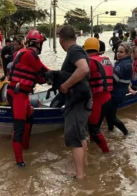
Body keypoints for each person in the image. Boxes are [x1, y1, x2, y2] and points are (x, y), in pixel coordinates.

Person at [8, 29, 49, 167]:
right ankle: (19, 162)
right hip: (17, 94)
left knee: (29, 117)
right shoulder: (31, 55)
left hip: (21, 93)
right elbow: (46, 72)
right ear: (38, 44)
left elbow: (40, 77)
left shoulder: (23, 53)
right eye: (41, 43)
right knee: (19, 128)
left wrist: (45, 78)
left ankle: (25, 147)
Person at [59, 26, 92, 179]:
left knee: (74, 137)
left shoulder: (73, 51)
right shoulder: (78, 50)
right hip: (83, 99)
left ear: (61, 40)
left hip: (78, 101)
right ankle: (85, 166)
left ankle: (80, 177)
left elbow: (84, 69)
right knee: (81, 134)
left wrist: (65, 85)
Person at [83, 38, 114, 153]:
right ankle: (93, 148)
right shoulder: (106, 59)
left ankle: (107, 154)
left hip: (98, 100)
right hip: (108, 98)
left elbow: (79, 76)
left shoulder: (89, 61)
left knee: (94, 129)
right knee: (95, 127)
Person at [107, 43, 131, 134]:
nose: (118, 53)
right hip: (119, 93)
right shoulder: (125, 62)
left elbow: (113, 79)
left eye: (121, 52)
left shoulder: (122, 65)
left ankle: (126, 133)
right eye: (117, 51)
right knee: (109, 114)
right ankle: (111, 131)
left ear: (127, 53)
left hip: (116, 94)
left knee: (111, 116)